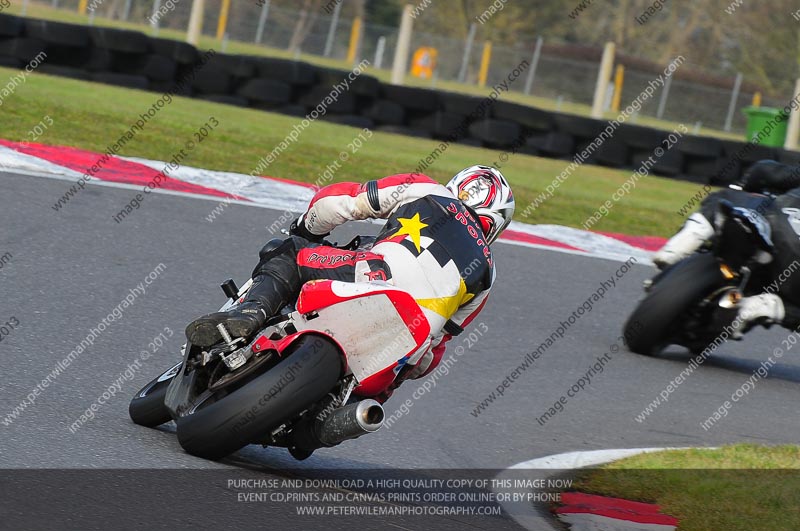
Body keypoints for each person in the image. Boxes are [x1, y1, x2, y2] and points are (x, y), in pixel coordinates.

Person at [185, 166, 515, 397]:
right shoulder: (488, 272)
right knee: (387, 385)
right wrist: (396, 380)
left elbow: (342, 201)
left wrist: (305, 229)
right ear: (497, 224)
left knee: (288, 253)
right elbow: (434, 355)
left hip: (376, 275)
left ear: (457, 185)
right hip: (410, 338)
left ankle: (250, 313)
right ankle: (346, 413)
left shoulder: (428, 191)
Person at [653, 159, 800, 336]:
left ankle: (682, 243)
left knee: (736, 199)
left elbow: (765, 171)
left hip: (776, 227)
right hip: (791, 277)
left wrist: (744, 185)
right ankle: (766, 307)